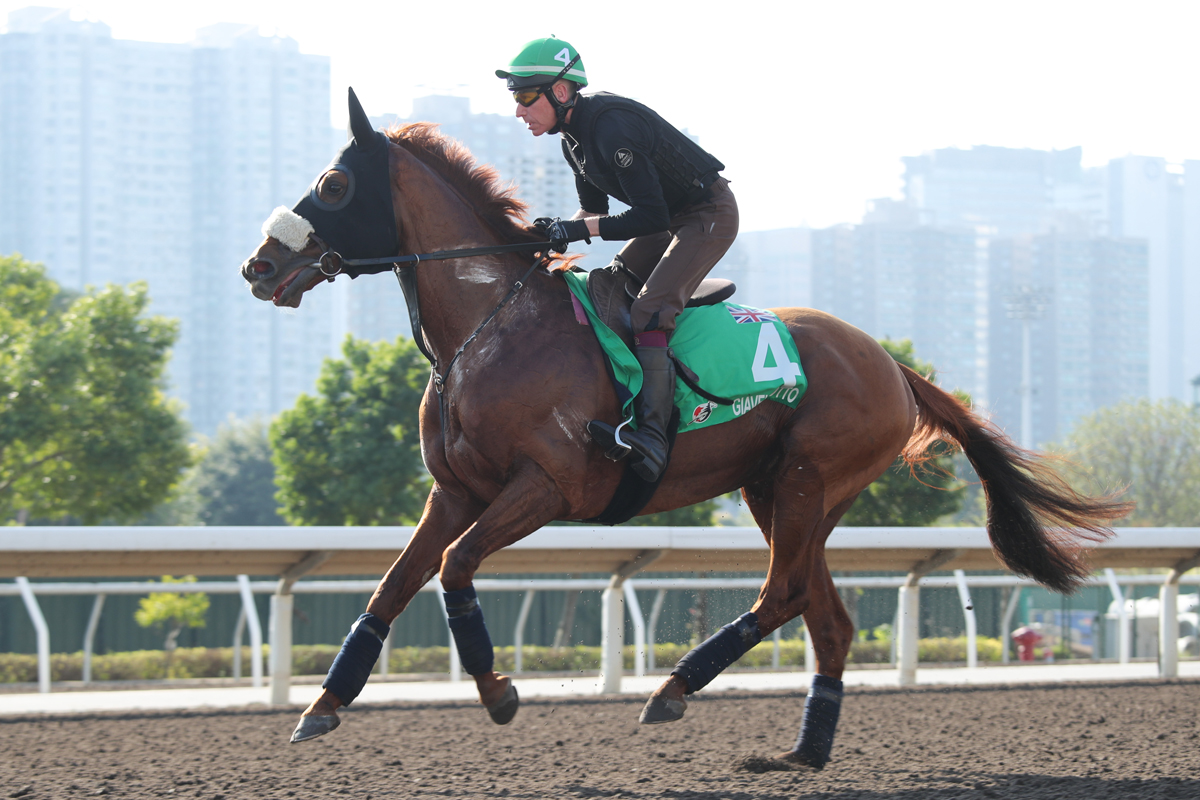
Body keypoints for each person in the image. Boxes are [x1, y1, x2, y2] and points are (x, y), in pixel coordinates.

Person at [498, 36, 739, 482]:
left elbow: (649, 215)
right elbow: (594, 214)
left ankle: (652, 436)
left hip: (707, 214)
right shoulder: (571, 140)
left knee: (648, 310)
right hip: (669, 217)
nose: (519, 111)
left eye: (527, 97)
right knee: (608, 287)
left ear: (562, 91)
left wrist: (573, 232)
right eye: (516, 98)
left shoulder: (611, 128)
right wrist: (546, 242)